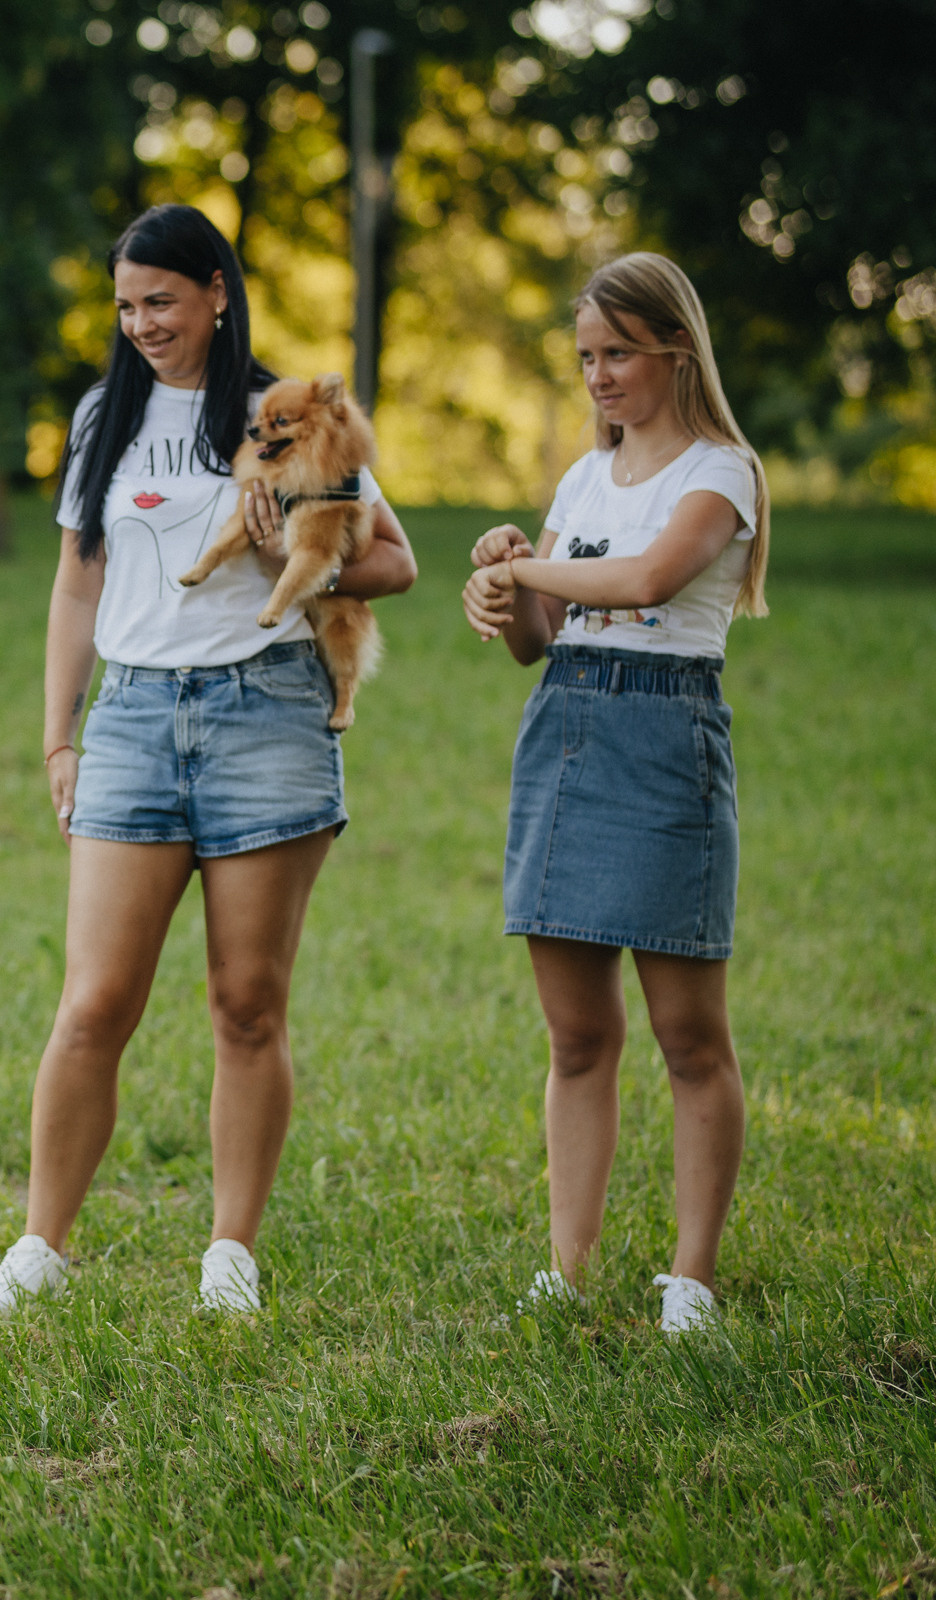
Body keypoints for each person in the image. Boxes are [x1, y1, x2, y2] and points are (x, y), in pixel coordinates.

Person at [0, 205, 417, 1317]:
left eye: (159, 300)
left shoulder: (287, 411)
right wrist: (59, 735)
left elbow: (396, 562)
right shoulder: (100, 416)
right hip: (132, 720)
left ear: (218, 290)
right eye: (124, 307)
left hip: (266, 719)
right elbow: (77, 584)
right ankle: (38, 1249)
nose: (141, 325)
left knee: (247, 1003)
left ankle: (230, 1254)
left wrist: (282, 549)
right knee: (94, 1002)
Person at [461, 252, 768, 1336]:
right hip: (566, 735)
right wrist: (506, 583)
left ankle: (691, 1277)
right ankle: (568, 1264)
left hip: (665, 736)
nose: (596, 376)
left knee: (690, 1035)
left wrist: (531, 570)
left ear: (675, 351)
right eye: (586, 357)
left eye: (617, 355)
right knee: (577, 1033)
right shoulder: (582, 480)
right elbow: (540, 645)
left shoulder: (722, 473)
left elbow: (645, 583)